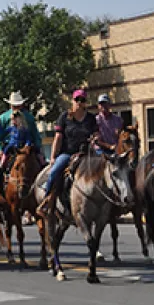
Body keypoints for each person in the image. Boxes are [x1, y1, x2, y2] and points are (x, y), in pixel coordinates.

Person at [37, 89, 98, 217]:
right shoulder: (64, 117)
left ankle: (106, 202)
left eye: (83, 100)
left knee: (103, 168)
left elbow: (96, 135)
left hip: (86, 154)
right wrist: (53, 156)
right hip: (68, 153)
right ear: (73, 101)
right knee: (55, 171)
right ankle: (48, 200)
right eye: (77, 100)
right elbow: (58, 138)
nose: (80, 103)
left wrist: (95, 139)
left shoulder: (91, 118)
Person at [0, 111, 34, 205]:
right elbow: (2, 133)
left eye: (15, 118)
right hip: (10, 150)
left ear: (20, 119)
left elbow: (28, 140)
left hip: (22, 151)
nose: (13, 120)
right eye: (12, 119)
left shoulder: (25, 130)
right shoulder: (11, 129)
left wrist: (27, 146)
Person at [0, 92, 44, 164]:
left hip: (27, 149)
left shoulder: (29, 118)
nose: (16, 107)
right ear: (10, 105)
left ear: (22, 105)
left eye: (18, 105)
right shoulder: (3, 118)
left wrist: (36, 147)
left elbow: (35, 135)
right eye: (14, 105)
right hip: (10, 148)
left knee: (42, 165)